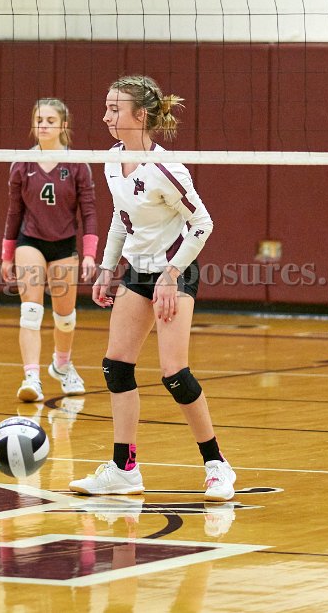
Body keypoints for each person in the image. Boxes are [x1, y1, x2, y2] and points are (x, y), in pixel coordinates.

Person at [68, 75, 236, 502]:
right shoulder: (112, 159)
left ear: (140, 115)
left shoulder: (166, 170)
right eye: (106, 108)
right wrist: (107, 268)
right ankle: (124, 469)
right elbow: (118, 216)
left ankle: (217, 465)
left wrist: (172, 274)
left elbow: (203, 224)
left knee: (174, 374)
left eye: (114, 109)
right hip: (138, 272)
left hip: (174, 273)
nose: (105, 117)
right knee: (116, 366)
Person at [1, 98, 98, 402]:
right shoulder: (22, 163)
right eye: (39, 120)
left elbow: (89, 212)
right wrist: (7, 255)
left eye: (50, 121)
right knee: (30, 312)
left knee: (65, 318)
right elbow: (14, 212)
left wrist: (90, 254)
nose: (43, 125)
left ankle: (62, 365)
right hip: (30, 241)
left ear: (63, 126)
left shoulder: (77, 164)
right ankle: (31, 377)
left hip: (64, 244)